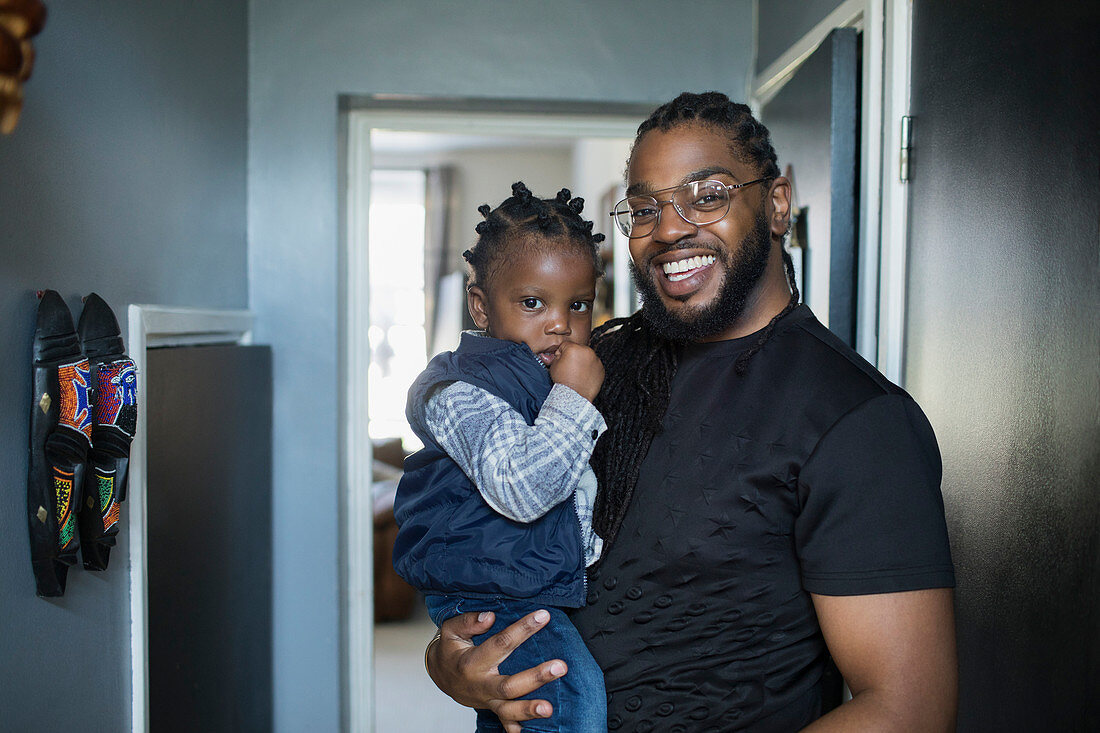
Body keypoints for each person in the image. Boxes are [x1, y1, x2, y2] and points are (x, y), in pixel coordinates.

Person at [424, 92, 958, 732]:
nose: (671, 228)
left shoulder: (857, 422)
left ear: (777, 202)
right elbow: (479, 531)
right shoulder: (586, 367)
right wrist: (451, 661)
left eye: (707, 195)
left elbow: (906, 708)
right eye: (646, 208)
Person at [392, 182, 611, 732]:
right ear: (481, 307)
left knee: (516, 716)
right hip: (488, 590)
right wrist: (575, 398)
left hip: (521, 582)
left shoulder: (559, 376)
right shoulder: (459, 388)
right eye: (533, 302)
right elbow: (519, 487)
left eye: (578, 304)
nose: (560, 323)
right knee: (568, 705)